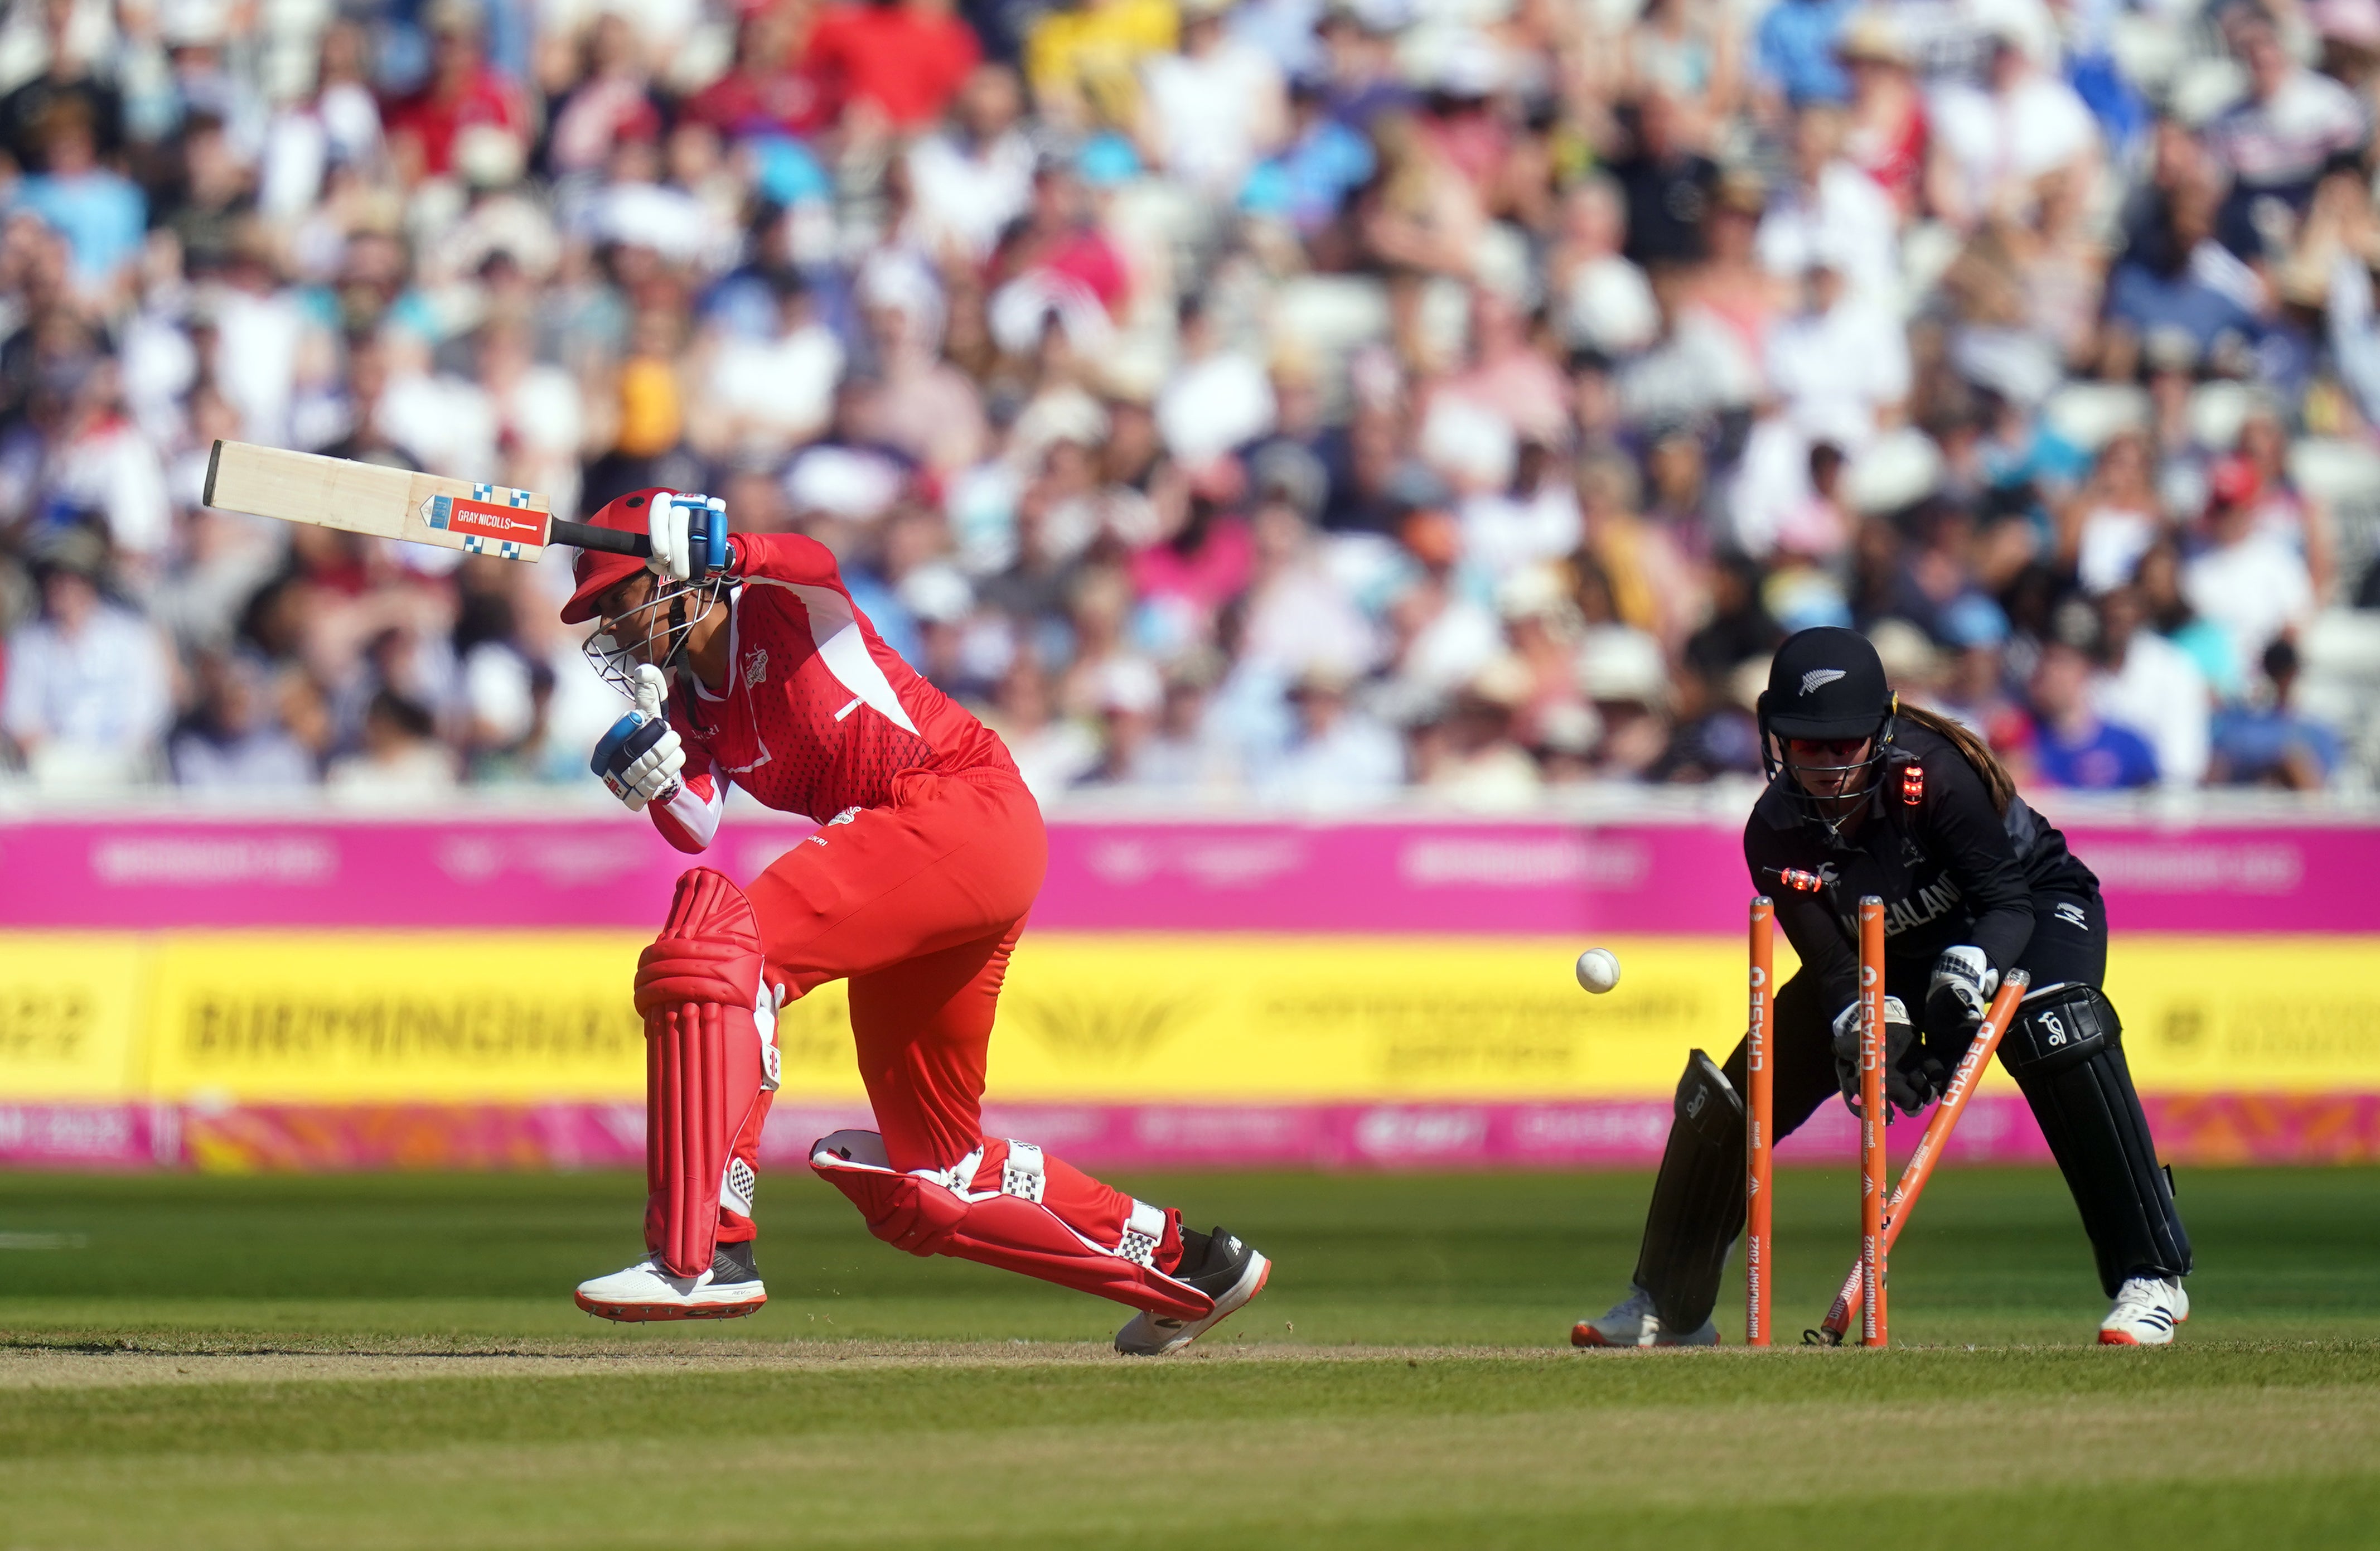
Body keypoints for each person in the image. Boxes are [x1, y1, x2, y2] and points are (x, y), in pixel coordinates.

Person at [562, 489, 1270, 1355]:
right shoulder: (695, 712)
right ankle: (1190, 1266)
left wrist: (731, 544)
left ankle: (705, 1248)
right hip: (934, 859)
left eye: (615, 598)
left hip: (956, 809)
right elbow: (695, 825)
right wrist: (654, 779)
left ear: (674, 573)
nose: (609, 626)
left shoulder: (783, 608)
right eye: (597, 612)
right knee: (934, 1177)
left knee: (714, 952)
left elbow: (811, 558)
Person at [1571, 626, 2191, 1347]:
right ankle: (1668, 1306)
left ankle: (2152, 1277)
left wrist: (1958, 997)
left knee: (2059, 1029)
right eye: (1810, 745)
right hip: (1885, 950)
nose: (1830, 765)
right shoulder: (1773, 832)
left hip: (2028, 910)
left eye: (1846, 744)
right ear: (1777, 739)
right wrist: (1868, 1023)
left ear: (1881, 730)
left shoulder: (1939, 778)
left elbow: (2008, 902)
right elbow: (1838, 968)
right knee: (1738, 1091)